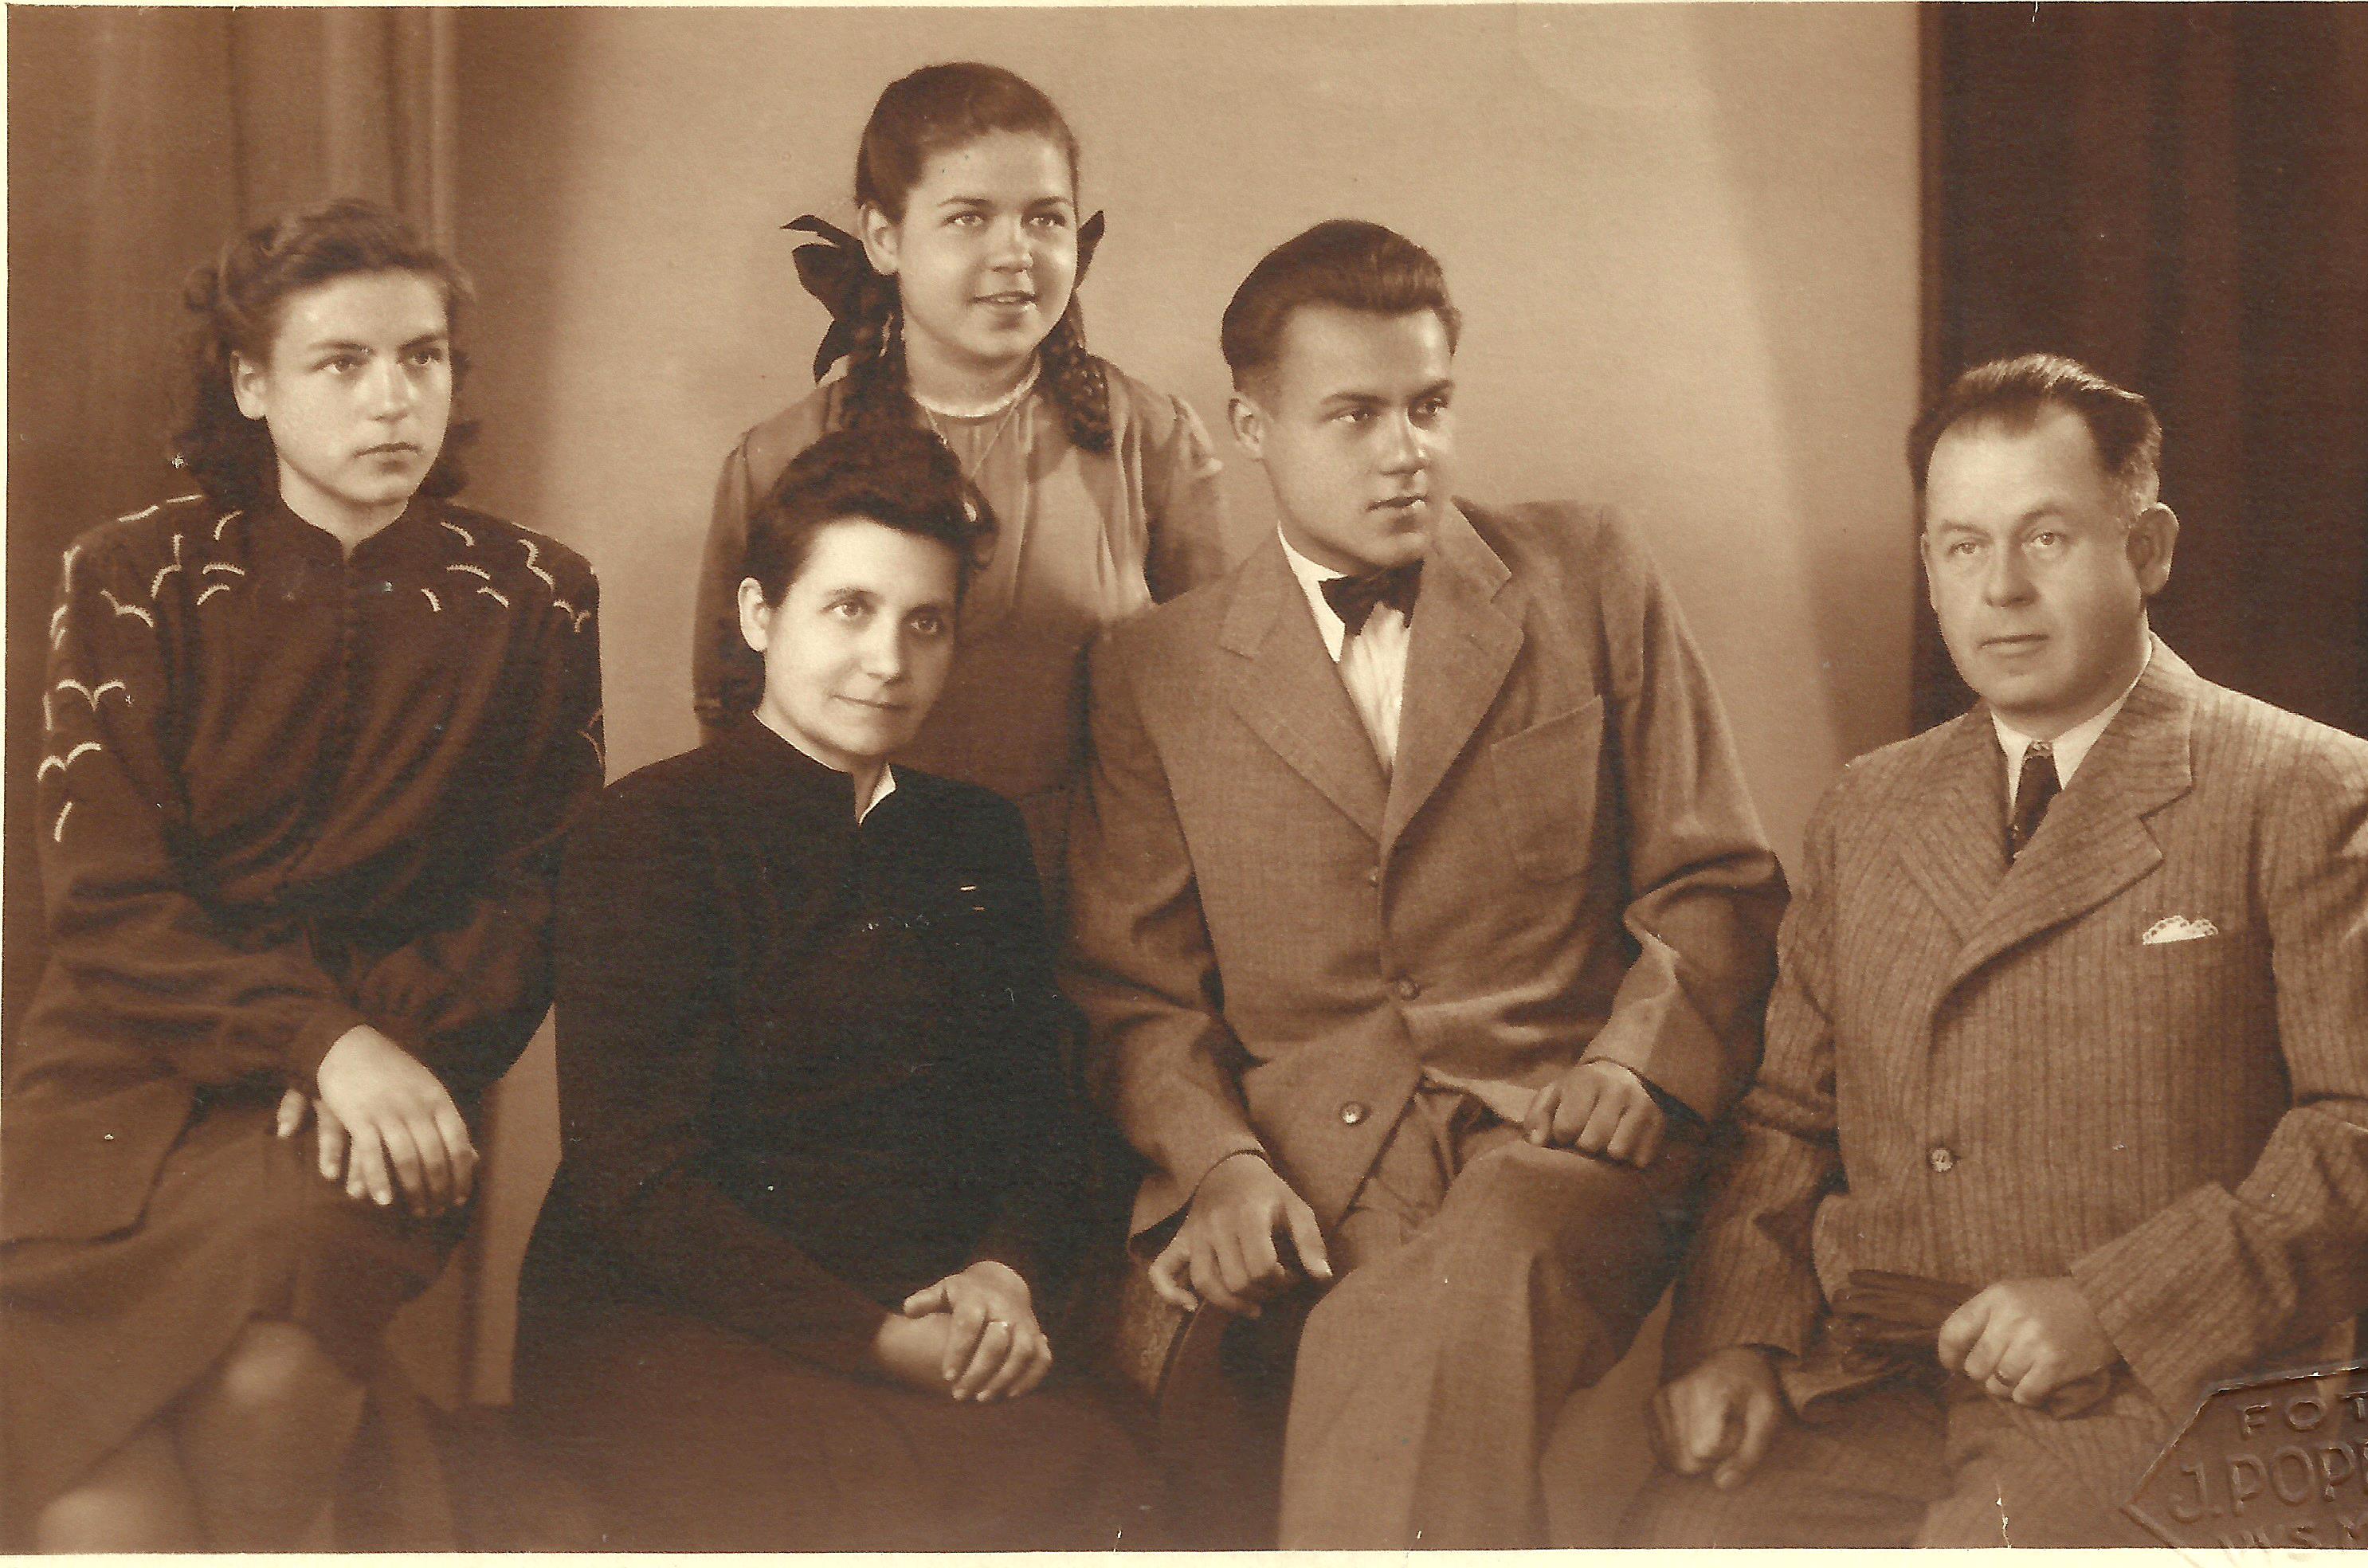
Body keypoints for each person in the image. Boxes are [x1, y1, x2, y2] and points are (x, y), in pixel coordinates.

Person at [1616, 355, 2368, 1547]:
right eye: (1963, 547)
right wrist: (1732, 1338)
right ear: (1929, 570)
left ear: (2149, 550)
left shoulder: (2300, 784)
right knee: (1670, 1543)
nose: (2002, 588)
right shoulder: (1869, 807)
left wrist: (2110, 1307)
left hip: (2175, 1389)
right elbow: (1788, 1119)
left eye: (2047, 539)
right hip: (1878, 1374)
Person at [1061, 219, 1788, 1548]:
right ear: (1252, 427)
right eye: (1354, 414)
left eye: (1431, 406)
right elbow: (1137, 997)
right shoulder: (1154, 673)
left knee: (1448, 1290)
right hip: (1311, 1168)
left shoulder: (1590, 572)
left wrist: (1636, 1062)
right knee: (1288, 1368)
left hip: (1565, 1141)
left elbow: (1717, 880)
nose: (1407, 451)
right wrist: (1220, 1166)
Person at [0, 197, 604, 1550]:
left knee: (267, 1391)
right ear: (252, 383)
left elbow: (533, 900)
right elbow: (104, 899)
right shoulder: (130, 577)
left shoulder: (536, 598)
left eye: (423, 357)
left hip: (381, 1089)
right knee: (104, 1518)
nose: (393, 397)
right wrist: (316, 1040)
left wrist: (376, 1051)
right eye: (342, 361)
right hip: (114, 1082)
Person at [519, 427, 1155, 1551]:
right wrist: (875, 1342)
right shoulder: (651, 828)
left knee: (1104, 1477)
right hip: (671, 1322)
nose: (888, 661)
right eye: (849, 609)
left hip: (922, 1302)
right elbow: (634, 1177)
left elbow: (1038, 1123)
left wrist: (1002, 1276)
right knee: (867, 1502)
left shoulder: (975, 836)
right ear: (761, 615)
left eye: (926, 622)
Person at [692, 61, 1227, 906]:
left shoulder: (1147, 439)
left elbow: (1214, 706)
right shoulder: (780, 457)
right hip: (854, 899)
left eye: (1045, 218)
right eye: (969, 217)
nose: (1016, 254)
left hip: (1095, 903)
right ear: (884, 237)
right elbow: (730, 709)